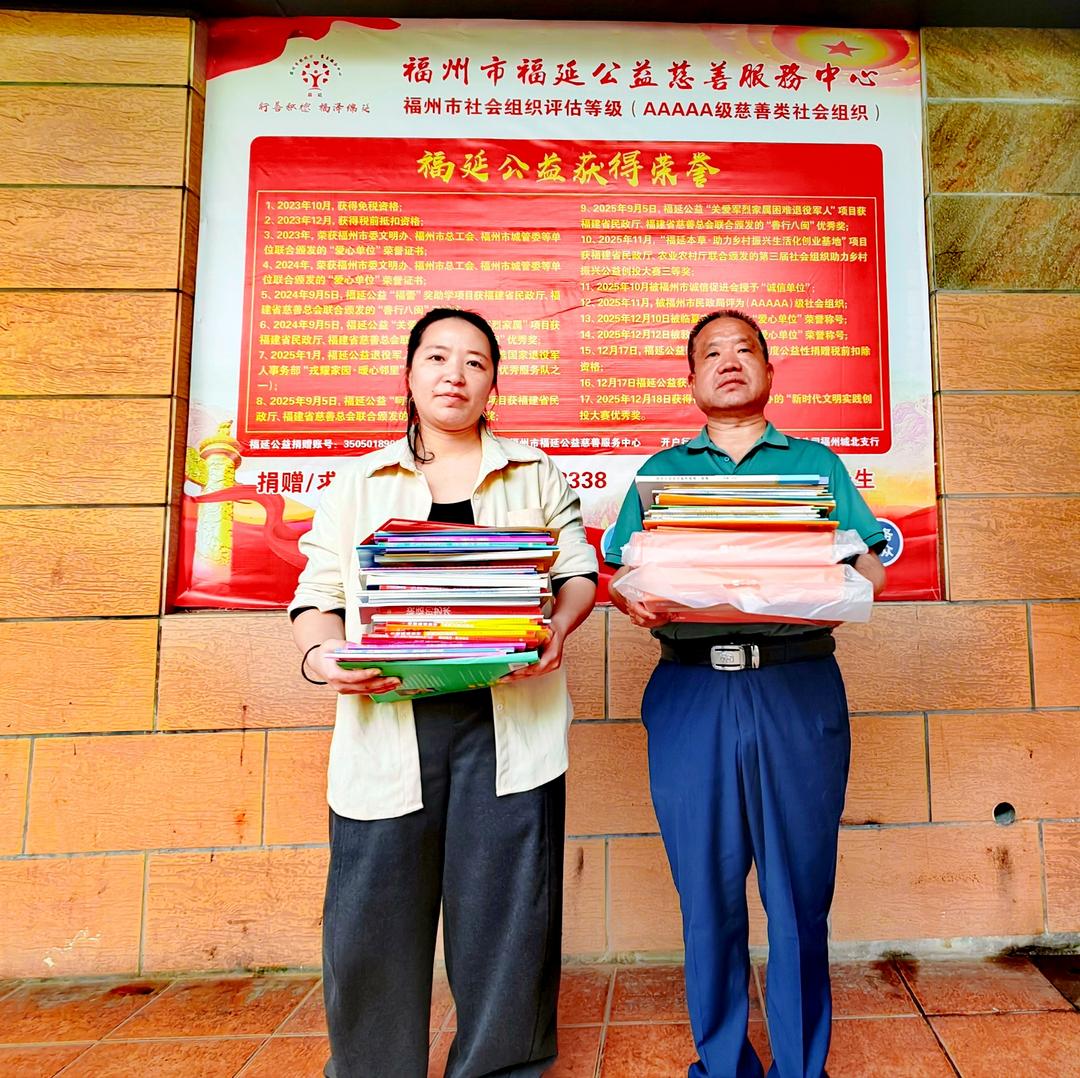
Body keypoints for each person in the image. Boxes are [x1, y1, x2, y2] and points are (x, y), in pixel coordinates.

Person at [290, 308, 598, 1078]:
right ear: (409, 374)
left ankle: (500, 1071)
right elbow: (317, 595)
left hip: (508, 723)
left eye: (474, 362)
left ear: (494, 384)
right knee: (370, 922)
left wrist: (558, 629)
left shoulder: (534, 473)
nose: (454, 374)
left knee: (507, 923)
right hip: (388, 721)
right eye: (437, 357)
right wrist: (325, 658)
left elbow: (577, 574)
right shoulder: (359, 482)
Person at [605, 309, 886, 1078]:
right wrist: (633, 598)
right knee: (706, 894)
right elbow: (621, 574)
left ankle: (801, 1066)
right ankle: (723, 1065)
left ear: (769, 369)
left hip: (796, 688)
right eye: (711, 353)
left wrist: (841, 585)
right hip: (692, 692)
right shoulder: (662, 474)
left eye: (744, 349)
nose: (729, 361)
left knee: (798, 895)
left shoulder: (816, 466)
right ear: (690, 378)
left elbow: (868, 567)